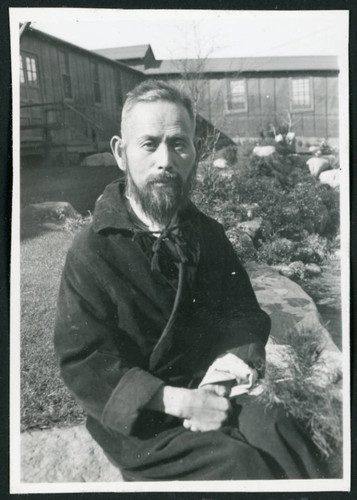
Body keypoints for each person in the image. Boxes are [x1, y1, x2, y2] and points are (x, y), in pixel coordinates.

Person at [54, 80, 329, 481]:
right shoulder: (92, 251)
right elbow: (84, 360)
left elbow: (243, 315)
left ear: (194, 153)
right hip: (146, 417)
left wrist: (221, 381)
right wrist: (180, 402)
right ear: (120, 153)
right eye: (149, 145)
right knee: (239, 466)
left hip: (216, 391)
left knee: (281, 430)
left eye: (178, 144)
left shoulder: (208, 235)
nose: (165, 160)